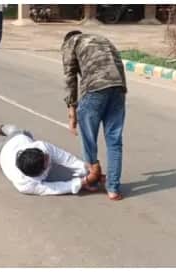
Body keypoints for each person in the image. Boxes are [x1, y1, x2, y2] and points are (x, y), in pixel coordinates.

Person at [62, 31, 127, 200]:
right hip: (118, 88)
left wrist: (72, 112)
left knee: (89, 138)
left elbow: (70, 78)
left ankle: (93, 174)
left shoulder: (71, 43)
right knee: (114, 141)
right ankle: (113, 189)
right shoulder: (101, 39)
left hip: (94, 89)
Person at [0, 124, 103, 196]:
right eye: (46, 160)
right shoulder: (25, 185)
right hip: (1, 155)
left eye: (45, 155)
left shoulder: (41, 147)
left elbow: (66, 158)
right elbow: (54, 188)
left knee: (16, 131)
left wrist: (86, 169)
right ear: (38, 172)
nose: (48, 156)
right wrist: (81, 182)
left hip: (18, 138)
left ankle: (1, 128)